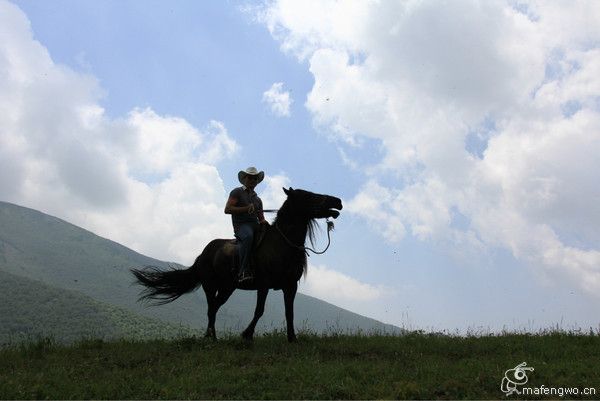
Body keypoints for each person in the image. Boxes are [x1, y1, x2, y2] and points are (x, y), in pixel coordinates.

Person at [224, 167, 269, 282]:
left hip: (255, 225)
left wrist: (264, 222)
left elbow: (261, 218)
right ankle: (243, 271)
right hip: (241, 226)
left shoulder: (258, 200)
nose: (253, 180)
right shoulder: (237, 192)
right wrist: (246, 208)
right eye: (250, 177)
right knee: (248, 237)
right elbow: (227, 209)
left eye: (255, 178)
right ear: (244, 178)